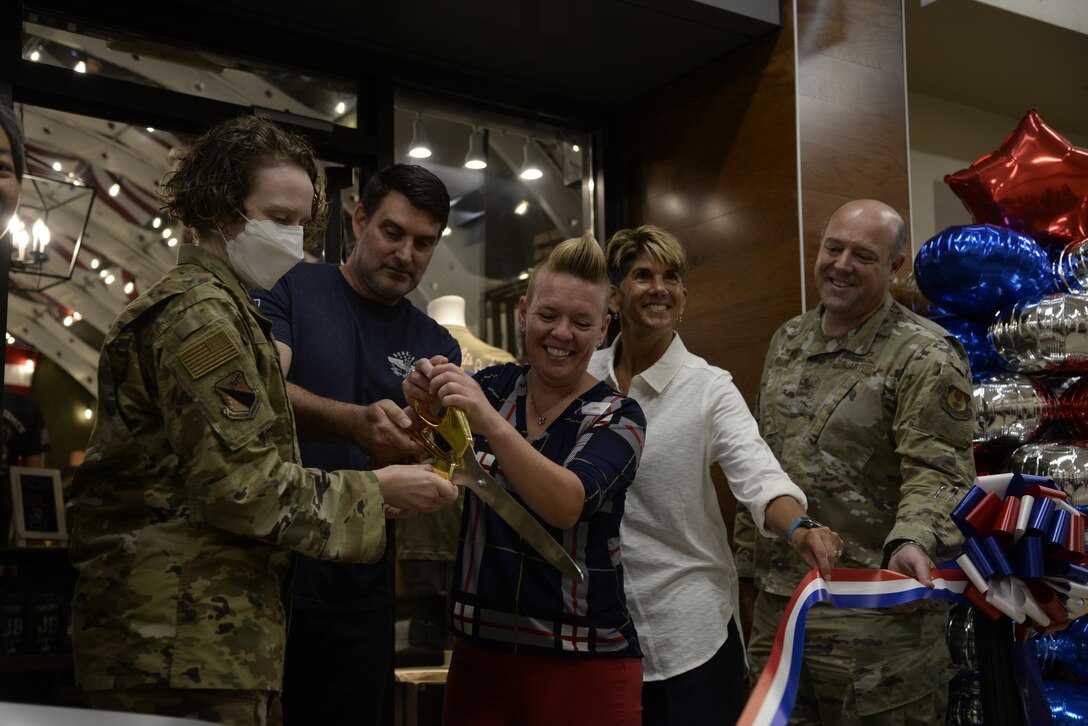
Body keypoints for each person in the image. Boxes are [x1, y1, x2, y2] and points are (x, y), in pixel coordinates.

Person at [66, 115, 458, 726]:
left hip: (205, 630)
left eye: (301, 224)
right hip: (177, 632)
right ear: (222, 208)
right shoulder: (202, 317)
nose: (293, 241)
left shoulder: (228, 310)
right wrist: (376, 491)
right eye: (278, 220)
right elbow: (246, 488)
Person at [588, 224, 842, 725]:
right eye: (643, 275)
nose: (660, 288)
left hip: (690, 632)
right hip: (596, 626)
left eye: (672, 277)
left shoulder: (709, 388)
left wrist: (800, 528)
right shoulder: (583, 377)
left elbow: (759, 474)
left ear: (684, 297)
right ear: (614, 296)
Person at [734, 199, 976, 725]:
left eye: (863, 255)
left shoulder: (926, 354)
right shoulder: (787, 341)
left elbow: (940, 472)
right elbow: (758, 461)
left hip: (880, 632)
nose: (841, 264)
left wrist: (912, 540)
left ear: (895, 268)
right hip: (783, 617)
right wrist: (746, 573)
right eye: (833, 247)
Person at [406, 233, 648, 726]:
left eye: (581, 322)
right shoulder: (491, 388)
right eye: (547, 316)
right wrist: (421, 405)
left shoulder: (618, 415)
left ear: (603, 328)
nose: (562, 333)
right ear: (523, 312)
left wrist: (491, 424)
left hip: (584, 661)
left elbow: (566, 504)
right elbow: (432, 466)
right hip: (477, 656)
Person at [252, 163, 462, 725]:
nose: (406, 254)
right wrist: (354, 423)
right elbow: (263, 396)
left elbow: (429, 462)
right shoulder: (291, 286)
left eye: (424, 243)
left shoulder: (436, 343)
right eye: (393, 232)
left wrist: (420, 442)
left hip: (361, 591)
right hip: (269, 573)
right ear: (359, 221)